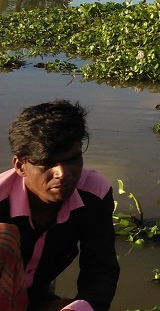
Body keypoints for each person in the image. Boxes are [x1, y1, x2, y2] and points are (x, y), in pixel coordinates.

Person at [0, 101, 119, 311]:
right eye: (47, 163)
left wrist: (83, 307)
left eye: (73, 159)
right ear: (20, 166)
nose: (63, 174)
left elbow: (100, 269)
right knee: (4, 239)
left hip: (37, 296)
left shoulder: (94, 194)